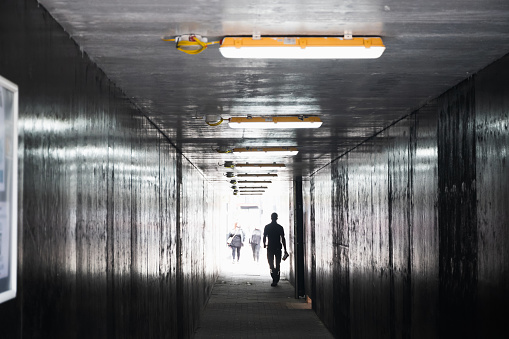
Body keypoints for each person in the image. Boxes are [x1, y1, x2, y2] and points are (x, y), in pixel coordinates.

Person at [263, 213, 288, 286]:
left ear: (271, 218)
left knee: (271, 263)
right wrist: (285, 249)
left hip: (270, 247)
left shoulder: (267, 227)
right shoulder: (280, 227)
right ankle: (276, 278)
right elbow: (283, 238)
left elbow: (264, 236)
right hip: (278, 247)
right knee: (277, 263)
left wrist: (264, 244)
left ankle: (274, 277)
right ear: (277, 218)